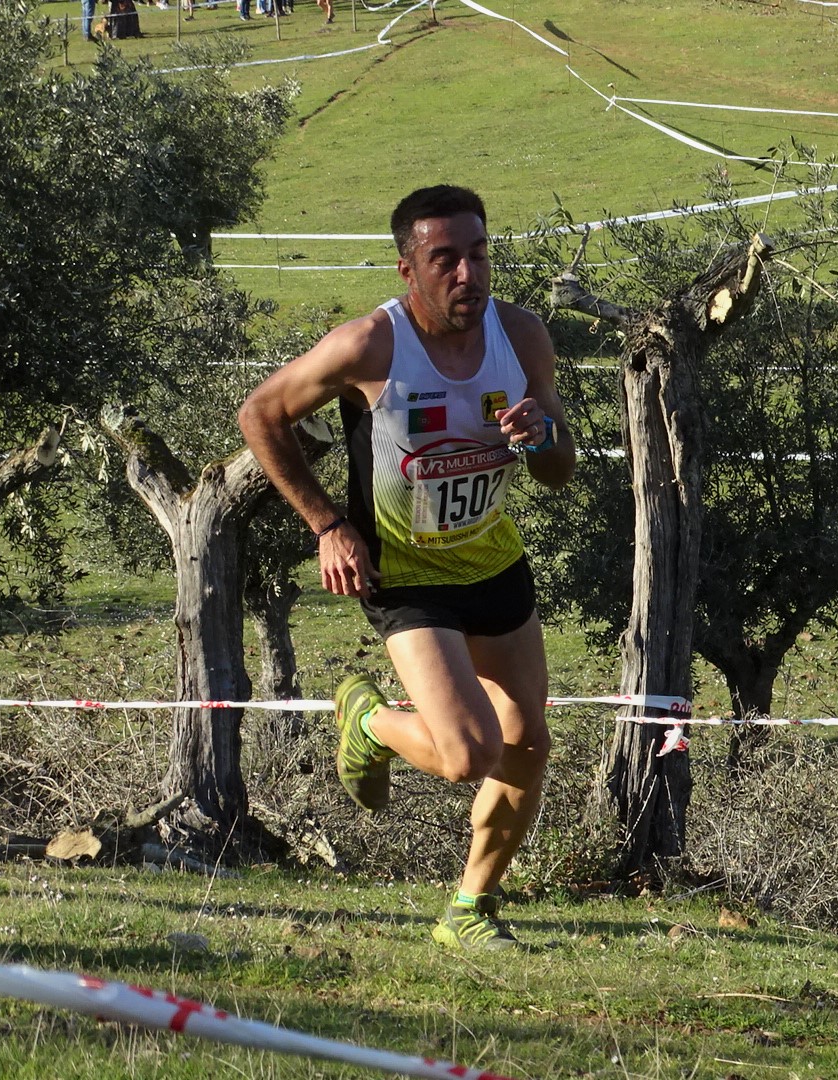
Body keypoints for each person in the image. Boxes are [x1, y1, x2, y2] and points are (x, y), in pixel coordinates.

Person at [239, 185, 575, 952]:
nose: (467, 274)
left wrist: (541, 434)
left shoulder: (522, 336)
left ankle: (469, 911)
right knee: (469, 753)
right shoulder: (371, 346)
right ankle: (368, 720)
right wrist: (328, 524)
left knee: (527, 745)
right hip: (405, 574)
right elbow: (260, 413)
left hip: (493, 562)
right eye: (445, 259)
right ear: (408, 270)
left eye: (478, 254)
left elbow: (559, 471)